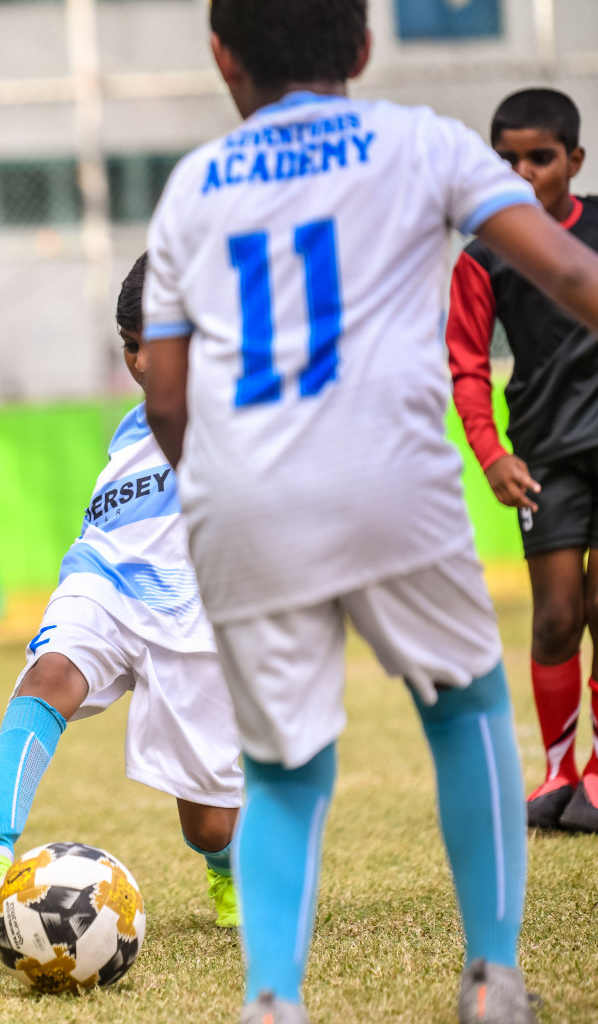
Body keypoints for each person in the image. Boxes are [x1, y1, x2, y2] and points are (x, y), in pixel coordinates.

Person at [141, 1, 598, 1020]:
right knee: (466, 707)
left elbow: (167, 398)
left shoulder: (190, 189)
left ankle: (271, 1000)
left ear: (222, 56)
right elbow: (566, 269)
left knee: (284, 771)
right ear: (362, 47)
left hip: (243, 496)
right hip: (391, 477)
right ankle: (491, 978)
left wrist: (229, 488)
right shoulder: (421, 142)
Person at [0, 255, 243, 940]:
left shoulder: (237, 410)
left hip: (196, 615)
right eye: (132, 345)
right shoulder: (128, 430)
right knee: (44, 681)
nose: (144, 361)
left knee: (207, 825)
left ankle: (227, 864)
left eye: (163, 344)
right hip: (103, 583)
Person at [447, 88, 598, 833]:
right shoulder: (484, 259)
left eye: (539, 158)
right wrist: (491, 452)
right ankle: (560, 770)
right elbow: (468, 366)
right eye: (505, 159)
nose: (522, 171)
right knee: (557, 617)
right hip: (543, 458)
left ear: (573, 159)